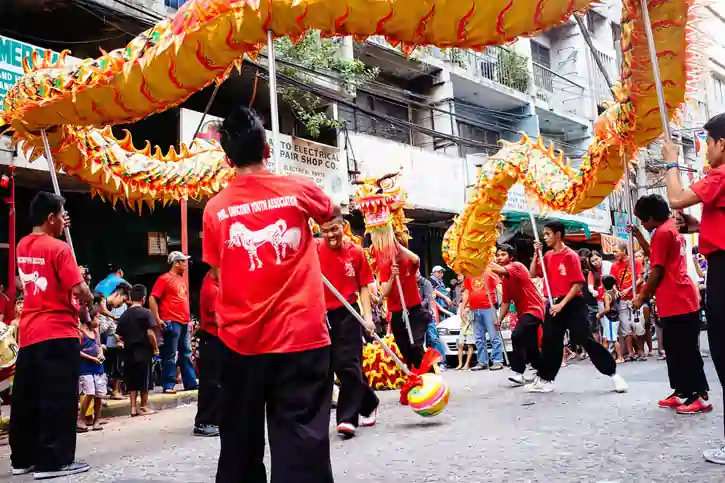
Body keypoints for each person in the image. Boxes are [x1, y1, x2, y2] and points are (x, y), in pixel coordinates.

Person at [202, 106, 339, 482]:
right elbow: (333, 212)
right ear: (266, 150)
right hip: (302, 339)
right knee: (302, 442)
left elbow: (217, 272)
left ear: (228, 159)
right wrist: (327, 227)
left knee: (239, 446)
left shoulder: (215, 209)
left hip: (240, 342)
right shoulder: (298, 189)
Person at [10, 191, 94, 479]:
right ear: (51, 218)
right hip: (57, 329)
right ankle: (54, 461)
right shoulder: (60, 249)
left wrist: (59, 227)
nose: (63, 220)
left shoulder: (23, 244)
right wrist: (89, 296)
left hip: (30, 331)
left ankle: (22, 457)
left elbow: (44, 248)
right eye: (60, 215)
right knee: (57, 397)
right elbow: (78, 289)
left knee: (28, 397)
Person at [662, 115, 725, 462]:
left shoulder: (721, 173)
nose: (706, 150)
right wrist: (701, 225)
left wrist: (671, 158)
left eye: (708, 142)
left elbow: (675, 198)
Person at [630, 194, 711, 415]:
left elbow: (657, 271)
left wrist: (641, 297)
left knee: (685, 351)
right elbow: (657, 257)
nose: (643, 225)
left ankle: (699, 394)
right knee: (674, 350)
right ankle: (682, 391)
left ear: (650, 217)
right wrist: (638, 236)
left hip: (679, 300)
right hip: (675, 300)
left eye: (642, 221)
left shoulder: (664, 233)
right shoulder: (668, 229)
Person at [526, 220, 627, 394]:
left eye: (548, 233)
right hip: (554, 302)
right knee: (550, 342)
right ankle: (546, 379)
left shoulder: (570, 255)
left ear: (558, 234)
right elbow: (533, 273)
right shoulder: (548, 256)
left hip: (572, 304)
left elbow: (578, 284)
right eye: (544, 234)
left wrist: (562, 304)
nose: (545, 237)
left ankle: (613, 374)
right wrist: (536, 254)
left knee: (584, 339)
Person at [317, 217, 379, 438]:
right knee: (329, 366)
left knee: (349, 366)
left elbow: (364, 286)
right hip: (321, 315)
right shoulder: (314, 250)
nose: (331, 235)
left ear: (343, 227)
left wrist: (368, 318)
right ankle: (369, 401)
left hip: (349, 313)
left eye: (334, 229)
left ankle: (346, 419)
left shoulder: (356, 253)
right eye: (325, 231)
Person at [489, 244, 545, 386]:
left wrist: (481, 259)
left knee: (517, 335)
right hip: (524, 313)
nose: (499, 257)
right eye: (498, 255)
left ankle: (518, 372)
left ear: (511, 257)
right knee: (531, 346)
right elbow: (506, 303)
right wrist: (499, 319)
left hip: (534, 309)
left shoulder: (516, 266)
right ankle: (543, 371)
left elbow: (497, 268)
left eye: (503, 255)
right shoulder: (505, 280)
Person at [150, 251, 197, 393]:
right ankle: (168, 384)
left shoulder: (181, 279)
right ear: (176, 263)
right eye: (183, 261)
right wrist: (158, 318)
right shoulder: (164, 279)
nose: (185, 263)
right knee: (170, 354)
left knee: (186, 353)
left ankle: (190, 382)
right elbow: (153, 298)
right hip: (171, 320)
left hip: (183, 321)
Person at [379, 240, 428, 370]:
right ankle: (414, 376)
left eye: (399, 249)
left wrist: (398, 245)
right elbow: (385, 292)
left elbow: (416, 259)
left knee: (416, 346)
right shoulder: (385, 266)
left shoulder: (409, 261)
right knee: (406, 351)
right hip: (397, 314)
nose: (397, 252)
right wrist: (392, 277)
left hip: (415, 312)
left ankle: (428, 375)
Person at [117, 284, 159, 417]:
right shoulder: (146, 313)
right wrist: (155, 348)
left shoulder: (124, 314)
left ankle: (133, 408)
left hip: (128, 350)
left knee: (132, 379)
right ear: (144, 298)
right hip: (143, 349)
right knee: (145, 378)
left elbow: (119, 335)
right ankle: (144, 406)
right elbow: (150, 333)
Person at [194, 268, 222, 436]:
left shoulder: (215, 284)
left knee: (217, 382)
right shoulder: (212, 289)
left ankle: (214, 419)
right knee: (211, 382)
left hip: (214, 339)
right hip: (212, 339)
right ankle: (204, 421)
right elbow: (219, 319)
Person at [459, 270, 503, 371]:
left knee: (493, 335)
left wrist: (506, 300)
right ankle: (482, 361)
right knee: (478, 338)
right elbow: (466, 292)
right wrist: (462, 308)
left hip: (488, 308)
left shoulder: (490, 272)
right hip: (474, 309)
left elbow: (499, 287)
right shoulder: (469, 275)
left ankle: (497, 360)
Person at [610, 242, 645, 360]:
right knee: (625, 327)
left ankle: (640, 350)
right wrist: (616, 291)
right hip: (622, 300)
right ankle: (630, 352)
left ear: (624, 251)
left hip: (635, 298)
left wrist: (629, 289)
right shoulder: (614, 266)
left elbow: (641, 279)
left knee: (638, 325)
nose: (614, 254)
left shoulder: (636, 262)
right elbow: (612, 282)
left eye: (616, 251)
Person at [77, 308, 106, 432]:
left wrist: (100, 354)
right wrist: (91, 357)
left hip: (98, 367)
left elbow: (98, 345)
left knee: (99, 395)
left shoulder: (95, 332)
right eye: (97, 318)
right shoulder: (79, 333)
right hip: (85, 368)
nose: (99, 321)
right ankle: (81, 419)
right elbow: (77, 351)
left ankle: (97, 420)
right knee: (89, 393)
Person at [417, 271, 447, 369]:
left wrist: (417, 306)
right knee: (421, 341)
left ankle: (442, 361)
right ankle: (426, 364)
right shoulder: (410, 283)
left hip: (428, 315)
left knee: (433, 338)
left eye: (417, 271)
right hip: (416, 317)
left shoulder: (426, 283)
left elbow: (428, 299)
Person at [596, 275, 624, 363]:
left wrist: (600, 314)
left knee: (613, 339)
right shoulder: (614, 293)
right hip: (613, 317)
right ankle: (605, 357)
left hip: (611, 318)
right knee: (605, 338)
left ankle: (620, 357)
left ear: (603, 284)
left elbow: (607, 308)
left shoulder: (607, 295)